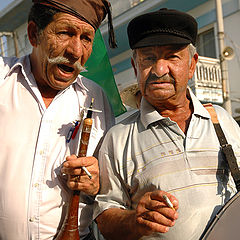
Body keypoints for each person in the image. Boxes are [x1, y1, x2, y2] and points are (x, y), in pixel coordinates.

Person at [93, 8, 240, 240]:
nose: (160, 69)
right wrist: (136, 220)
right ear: (135, 67)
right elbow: (105, 218)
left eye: (172, 57)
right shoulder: (118, 138)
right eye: (149, 58)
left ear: (192, 65)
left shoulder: (221, 120)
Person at [0, 0, 117, 239]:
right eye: (65, 33)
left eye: (86, 39)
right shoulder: (3, 78)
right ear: (34, 34)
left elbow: (111, 191)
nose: (76, 51)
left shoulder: (96, 98)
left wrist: (96, 184)